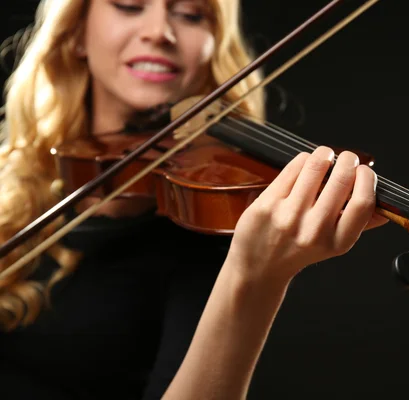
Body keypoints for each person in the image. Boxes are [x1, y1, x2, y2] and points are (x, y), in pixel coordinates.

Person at [0, 0, 388, 399]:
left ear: (213, 48)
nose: (159, 33)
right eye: (129, 5)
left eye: (190, 14)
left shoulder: (209, 240)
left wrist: (254, 277)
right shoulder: (12, 181)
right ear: (77, 33)